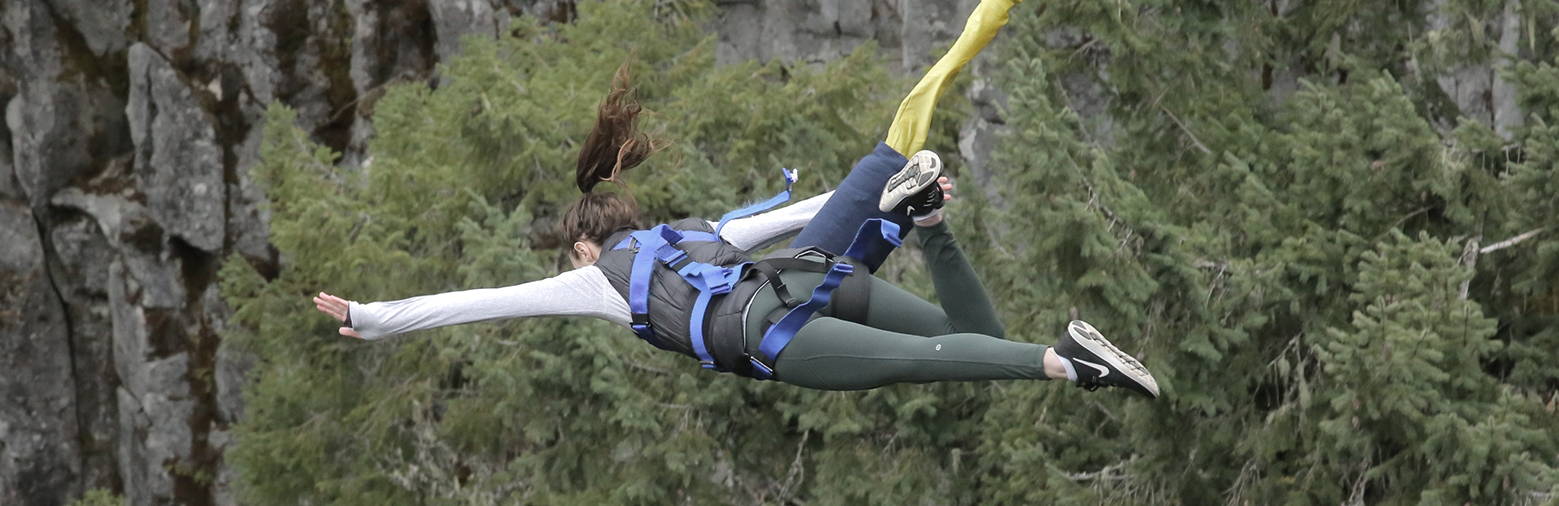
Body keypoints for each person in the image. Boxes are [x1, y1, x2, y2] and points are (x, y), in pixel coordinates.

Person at [312, 0, 1159, 397]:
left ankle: (1070, 361)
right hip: (810, 266)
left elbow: (478, 305)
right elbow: (792, 215)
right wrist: (874, 189)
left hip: (778, 331)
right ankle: (924, 217)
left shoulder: (594, 280)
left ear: (583, 245)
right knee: (973, 340)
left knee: (930, 361)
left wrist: (375, 316)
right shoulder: (692, 232)